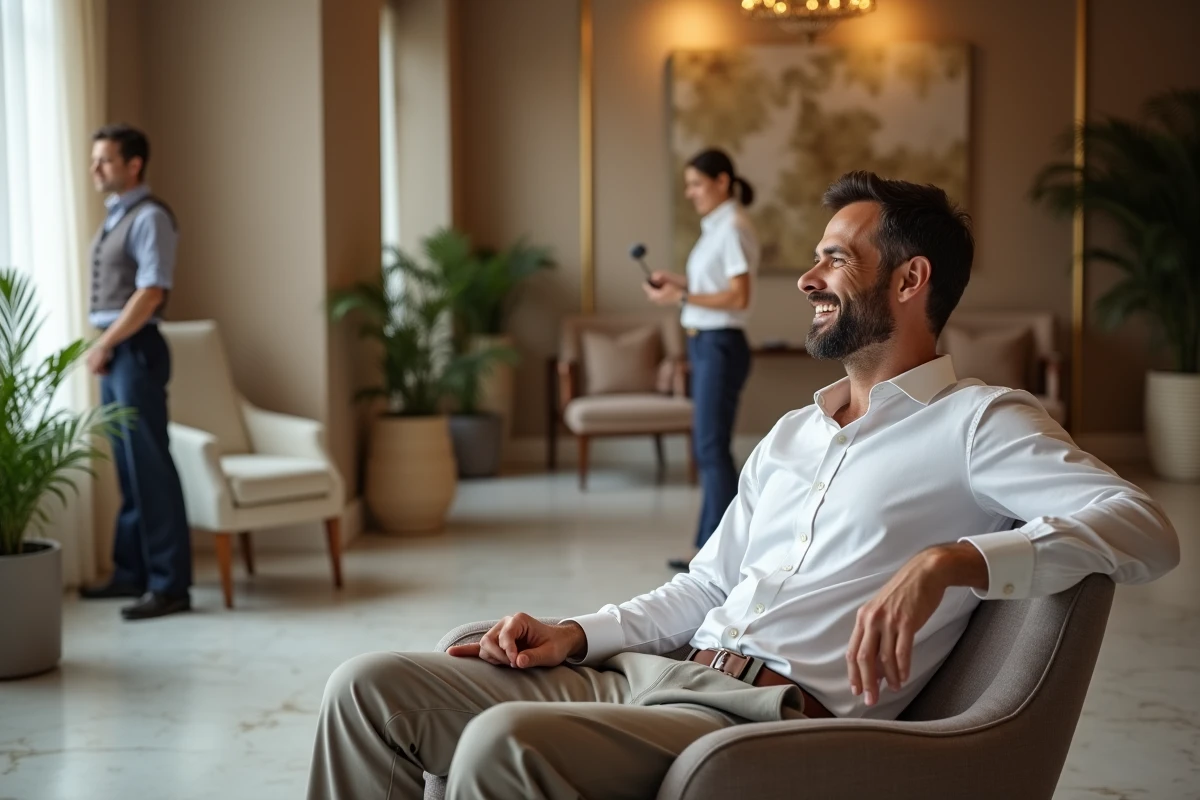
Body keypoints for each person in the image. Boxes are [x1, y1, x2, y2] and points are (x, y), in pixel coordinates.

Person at [305, 172, 1179, 800]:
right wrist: (579, 632)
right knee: (367, 690)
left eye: (836, 259)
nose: (807, 278)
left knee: (504, 746)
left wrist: (955, 559)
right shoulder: (795, 433)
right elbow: (707, 584)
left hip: (756, 715)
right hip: (654, 676)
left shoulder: (978, 421)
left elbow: (1143, 527)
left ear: (912, 281)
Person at [78, 124, 193, 621]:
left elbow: (150, 292)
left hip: (134, 349)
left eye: (104, 160)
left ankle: (170, 586)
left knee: (149, 467)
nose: (95, 168)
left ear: (133, 165)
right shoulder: (116, 217)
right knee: (127, 467)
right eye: (94, 160)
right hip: (117, 350)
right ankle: (131, 572)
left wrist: (105, 342)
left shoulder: (150, 217)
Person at [644, 148, 760, 570]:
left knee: (711, 447)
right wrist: (680, 283)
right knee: (707, 446)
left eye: (696, 183)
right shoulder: (716, 229)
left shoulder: (732, 226)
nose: (690, 193)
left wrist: (684, 295)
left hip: (720, 343)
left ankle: (721, 551)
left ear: (722, 181)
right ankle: (708, 547)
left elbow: (739, 295)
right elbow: (717, 284)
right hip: (705, 343)